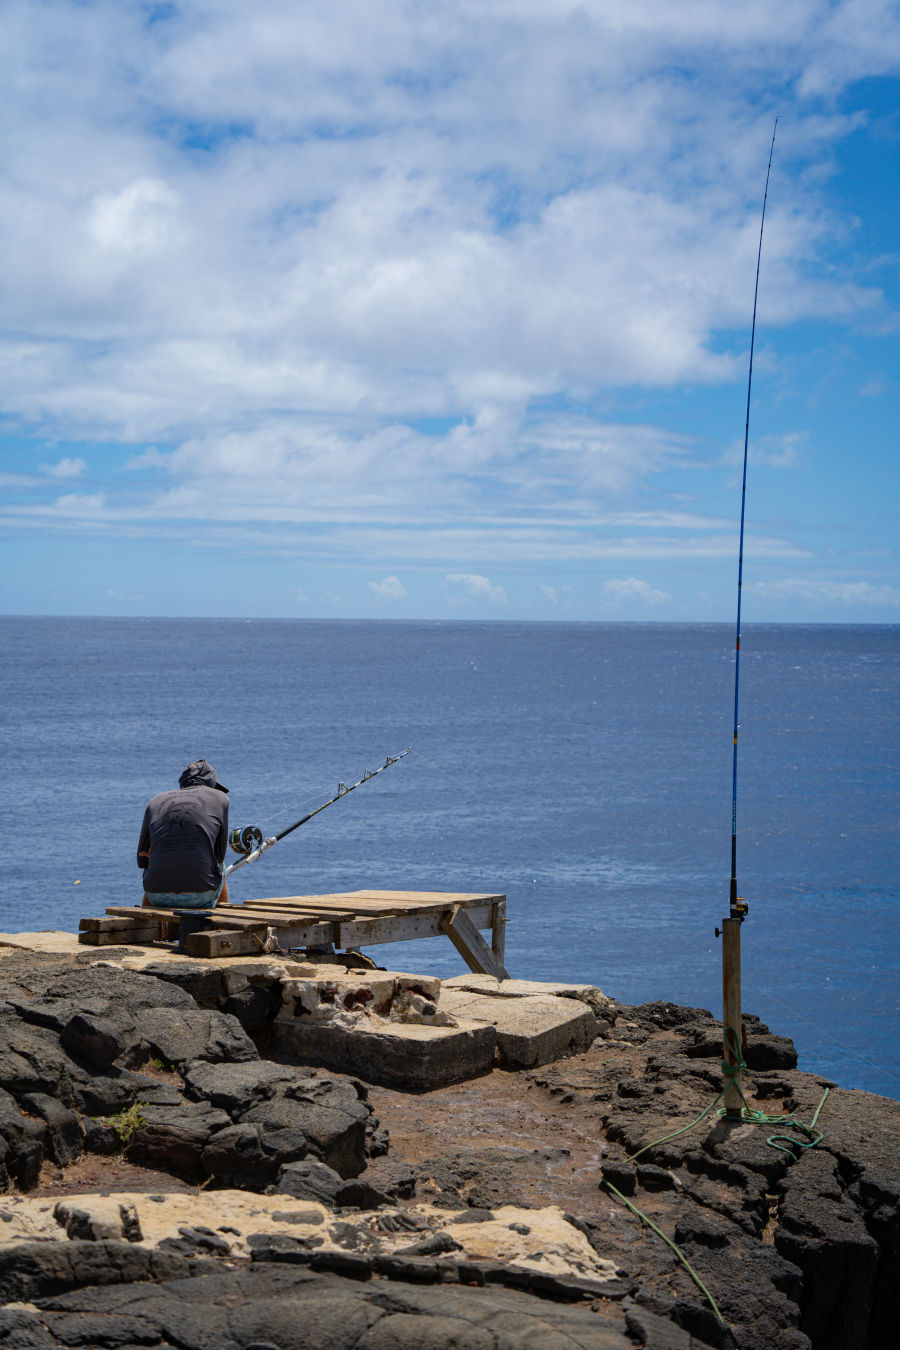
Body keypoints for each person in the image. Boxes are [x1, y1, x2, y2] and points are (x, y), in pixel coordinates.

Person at [138, 759, 230, 908]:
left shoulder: (155, 801)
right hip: (200, 896)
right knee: (221, 867)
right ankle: (221, 919)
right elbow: (220, 854)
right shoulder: (221, 798)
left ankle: (148, 919)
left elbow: (141, 858)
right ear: (210, 784)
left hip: (156, 896)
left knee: (154, 865)